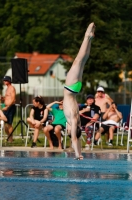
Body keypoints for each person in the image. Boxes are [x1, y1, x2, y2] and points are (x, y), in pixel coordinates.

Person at [63, 22, 95, 160]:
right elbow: (75, 139)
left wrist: (79, 152)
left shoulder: (75, 120)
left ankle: (89, 40)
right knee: (78, 60)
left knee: (84, 60)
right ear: (72, 130)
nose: (67, 130)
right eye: (68, 131)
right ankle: (87, 37)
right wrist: (78, 154)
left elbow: (77, 137)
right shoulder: (73, 119)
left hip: (76, 89)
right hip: (70, 88)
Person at [2, 76, 16, 142]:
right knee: (2, 122)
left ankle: (10, 138)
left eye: (5, 80)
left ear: (9, 81)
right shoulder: (7, 89)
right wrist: (2, 98)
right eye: (4, 80)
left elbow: (13, 99)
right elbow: (7, 98)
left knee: (9, 124)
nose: (4, 81)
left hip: (10, 107)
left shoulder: (12, 88)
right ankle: (9, 136)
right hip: (6, 107)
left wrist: (7, 107)